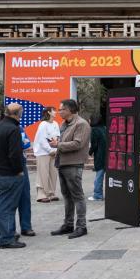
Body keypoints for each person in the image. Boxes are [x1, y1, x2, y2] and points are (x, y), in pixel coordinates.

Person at [49, 99, 91, 239]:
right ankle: (68, 224)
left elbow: (78, 144)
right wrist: (57, 145)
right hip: (62, 163)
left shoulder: (81, 124)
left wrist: (58, 145)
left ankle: (81, 226)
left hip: (73, 164)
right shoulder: (64, 124)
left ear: (70, 110)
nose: (59, 112)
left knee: (77, 196)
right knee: (67, 196)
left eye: (61, 109)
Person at [0, 103, 26, 249]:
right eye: (21, 112)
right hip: (10, 174)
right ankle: (7, 238)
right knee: (7, 206)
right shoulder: (13, 129)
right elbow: (14, 154)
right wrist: (18, 170)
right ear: (17, 114)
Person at [33, 106, 60, 203]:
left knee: (53, 172)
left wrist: (56, 146)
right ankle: (41, 194)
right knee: (43, 173)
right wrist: (50, 150)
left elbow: (57, 135)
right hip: (43, 152)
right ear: (49, 112)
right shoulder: (43, 124)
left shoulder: (56, 123)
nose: (56, 112)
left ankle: (51, 193)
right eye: (54, 110)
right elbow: (42, 140)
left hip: (54, 151)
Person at [15, 123, 35, 238]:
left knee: (25, 196)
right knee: (10, 200)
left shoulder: (19, 128)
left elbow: (26, 143)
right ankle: (9, 229)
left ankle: (26, 226)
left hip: (21, 164)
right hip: (9, 166)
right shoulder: (1, 129)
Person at [88, 115, 107, 201]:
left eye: (90, 119)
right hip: (108, 155)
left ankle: (98, 195)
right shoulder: (104, 128)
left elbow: (94, 144)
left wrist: (90, 152)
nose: (88, 121)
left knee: (99, 175)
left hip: (100, 155)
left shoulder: (94, 130)